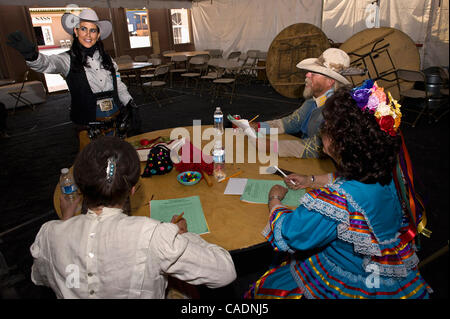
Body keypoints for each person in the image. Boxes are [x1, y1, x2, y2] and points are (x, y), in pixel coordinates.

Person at [245, 81, 432, 299]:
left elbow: (291, 233)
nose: (321, 132)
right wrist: (311, 179)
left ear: (340, 142)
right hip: (388, 278)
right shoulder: (386, 174)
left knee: (267, 291)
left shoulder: (338, 201)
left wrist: (275, 199)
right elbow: (351, 179)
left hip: (350, 282)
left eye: (326, 128)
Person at [30, 136, 236, 299]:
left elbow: (40, 277)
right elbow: (225, 271)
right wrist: (181, 235)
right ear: (133, 189)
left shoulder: (49, 234)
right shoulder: (152, 236)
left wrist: (66, 221)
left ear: (81, 188)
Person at [6, 9, 141, 149]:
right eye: (83, 29)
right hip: (88, 126)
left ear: (98, 34)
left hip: (116, 123)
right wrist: (32, 56)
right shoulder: (66, 60)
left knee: (120, 159)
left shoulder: (108, 60)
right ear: (76, 32)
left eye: (93, 30)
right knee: (93, 166)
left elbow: (118, 84)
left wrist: (130, 104)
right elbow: (47, 63)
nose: (88, 34)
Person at [250, 48, 351, 158]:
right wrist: (259, 126)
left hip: (327, 168)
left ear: (330, 81)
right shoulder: (314, 100)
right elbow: (292, 123)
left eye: (314, 73)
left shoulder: (337, 110)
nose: (307, 75)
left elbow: (316, 148)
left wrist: (272, 146)